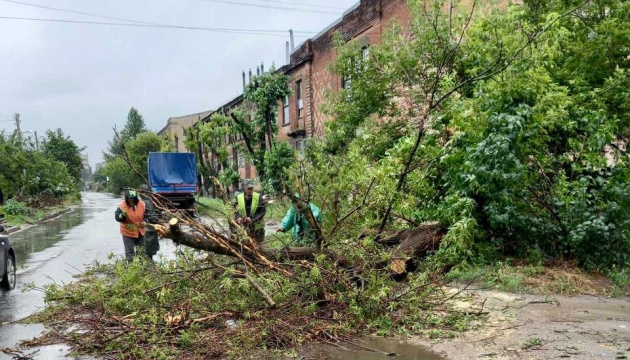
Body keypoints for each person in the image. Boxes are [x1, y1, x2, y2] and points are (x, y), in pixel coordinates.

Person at [115, 189, 147, 262]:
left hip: (140, 231)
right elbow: (117, 217)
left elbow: (147, 215)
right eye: (129, 198)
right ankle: (131, 268)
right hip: (128, 232)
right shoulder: (122, 206)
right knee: (130, 252)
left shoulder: (142, 204)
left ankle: (142, 267)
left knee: (141, 250)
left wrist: (145, 221)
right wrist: (122, 215)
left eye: (133, 198)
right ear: (126, 198)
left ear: (136, 198)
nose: (131, 200)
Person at [140, 185, 161, 261]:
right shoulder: (145, 202)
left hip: (149, 226)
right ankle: (148, 260)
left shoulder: (146, 201)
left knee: (148, 245)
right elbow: (153, 214)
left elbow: (156, 213)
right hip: (147, 227)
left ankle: (148, 260)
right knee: (148, 245)